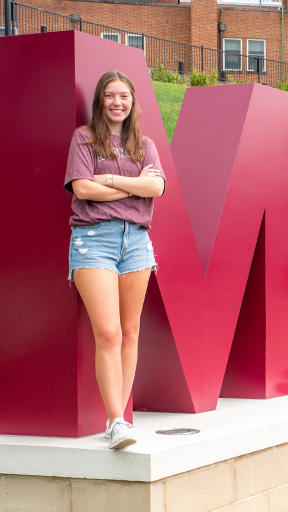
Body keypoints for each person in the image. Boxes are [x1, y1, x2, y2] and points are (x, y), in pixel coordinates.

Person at [65, 71, 166, 449]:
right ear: (100, 100)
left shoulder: (145, 144)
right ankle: (116, 421)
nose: (117, 102)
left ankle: (121, 416)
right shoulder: (84, 138)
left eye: (124, 96)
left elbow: (156, 187)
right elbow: (81, 188)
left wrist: (106, 179)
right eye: (110, 96)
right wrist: (130, 184)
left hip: (137, 242)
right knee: (107, 333)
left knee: (130, 332)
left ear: (133, 101)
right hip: (95, 240)